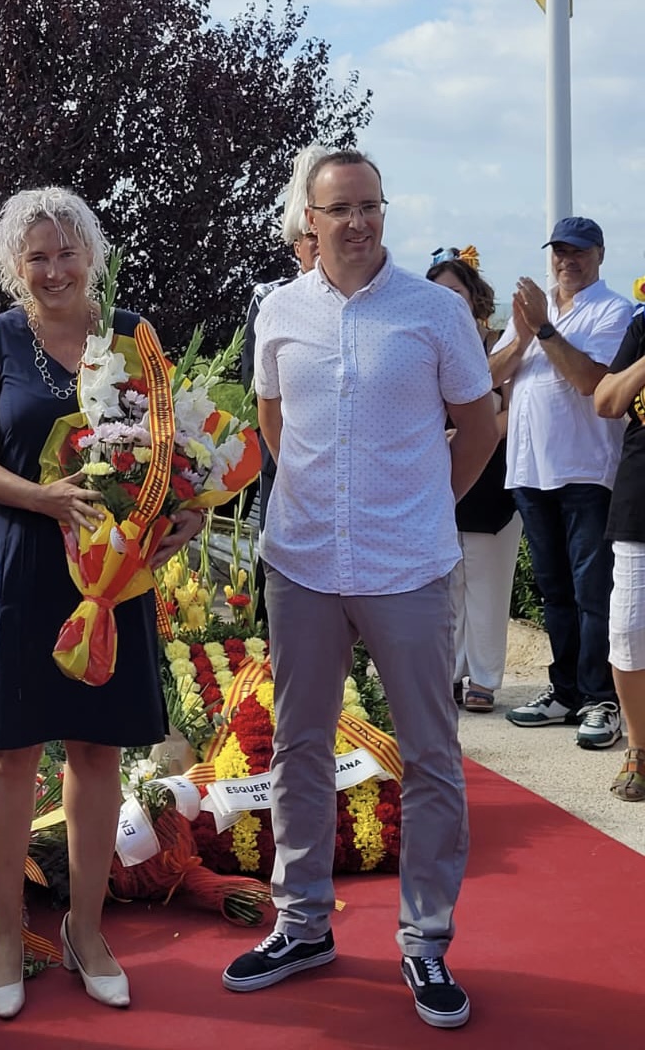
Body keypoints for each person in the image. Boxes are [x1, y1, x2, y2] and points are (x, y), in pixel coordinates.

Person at [223, 151, 498, 1030]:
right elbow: (273, 422)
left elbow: (479, 425)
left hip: (408, 567)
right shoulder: (278, 310)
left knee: (430, 756)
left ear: (385, 211)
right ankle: (303, 925)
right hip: (301, 563)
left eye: (369, 206)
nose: (357, 223)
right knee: (296, 747)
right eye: (339, 209)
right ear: (309, 217)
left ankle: (425, 942)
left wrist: (424, 505)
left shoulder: (433, 313)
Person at [0, 187, 203, 1020]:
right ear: (14, 266)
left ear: (91, 253)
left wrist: (186, 517)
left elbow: (175, 457)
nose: (54, 270)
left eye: (67, 253)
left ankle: (87, 932)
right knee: (11, 755)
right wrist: (44, 497)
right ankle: (8, 933)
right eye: (37, 258)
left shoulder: (136, 338)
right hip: (24, 565)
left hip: (111, 575)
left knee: (97, 753)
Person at [492, 218, 634, 749]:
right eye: (558, 252)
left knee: (592, 592)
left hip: (586, 474)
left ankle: (602, 698)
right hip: (530, 472)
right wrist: (525, 332)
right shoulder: (533, 313)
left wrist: (545, 331)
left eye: (577, 252)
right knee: (555, 591)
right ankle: (566, 690)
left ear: (599, 254)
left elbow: (591, 382)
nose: (566, 261)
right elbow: (489, 375)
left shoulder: (612, 310)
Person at [427, 252, 521, 712]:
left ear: (474, 298)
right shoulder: (421, 342)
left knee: (486, 581)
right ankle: (448, 672)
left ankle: (483, 678)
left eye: (455, 293)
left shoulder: (498, 346)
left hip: (490, 477)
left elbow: (506, 412)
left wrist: (467, 433)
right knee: (447, 583)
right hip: (434, 476)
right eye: (438, 292)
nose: (447, 301)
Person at [241, 143, 329, 533]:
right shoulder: (270, 299)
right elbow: (256, 390)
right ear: (298, 246)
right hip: (287, 460)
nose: (321, 248)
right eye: (311, 240)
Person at [593, 302, 645, 800]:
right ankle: (638, 746)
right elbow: (606, 401)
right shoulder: (642, 324)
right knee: (629, 629)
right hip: (640, 500)